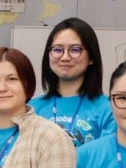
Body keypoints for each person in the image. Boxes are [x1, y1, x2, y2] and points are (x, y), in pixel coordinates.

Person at [31, 17, 115, 148]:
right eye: (57, 49)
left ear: (91, 57)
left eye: (75, 50)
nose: (65, 57)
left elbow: (106, 156)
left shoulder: (108, 110)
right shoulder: (31, 109)